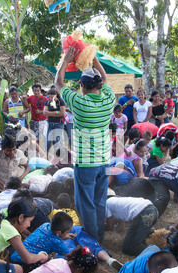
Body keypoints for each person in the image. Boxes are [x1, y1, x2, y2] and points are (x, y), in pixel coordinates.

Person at [55, 46, 115, 243]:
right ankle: (99, 236)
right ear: (98, 85)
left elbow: (58, 82)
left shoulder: (79, 103)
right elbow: (105, 79)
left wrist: (66, 59)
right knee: (99, 202)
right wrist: (93, 57)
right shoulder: (109, 99)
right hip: (104, 162)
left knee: (85, 205)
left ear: (82, 84)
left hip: (86, 164)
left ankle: (92, 240)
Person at [105, 191, 160, 256]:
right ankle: (165, 237)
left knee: (128, 248)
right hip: (153, 210)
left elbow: (110, 227)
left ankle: (158, 253)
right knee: (143, 235)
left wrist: (101, 227)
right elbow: (121, 230)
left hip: (144, 213)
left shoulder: (107, 203)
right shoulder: (118, 202)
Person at [0, 134, 30, 198]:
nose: (12, 152)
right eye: (8, 150)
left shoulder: (19, 154)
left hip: (14, 188)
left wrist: (21, 178)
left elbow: (27, 167)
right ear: (2, 148)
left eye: (14, 149)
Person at [43, 88, 66, 152]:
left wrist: (50, 113)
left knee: (57, 143)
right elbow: (44, 112)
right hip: (50, 124)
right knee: (48, 142)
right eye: (49, 97)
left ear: (56, 95)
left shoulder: (60, 102)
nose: (50, 98)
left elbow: (62, 113)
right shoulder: (47, 102)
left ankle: (58, 158)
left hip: (58, 125)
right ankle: (47, 156)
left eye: (52, 96)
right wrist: (56, 112)